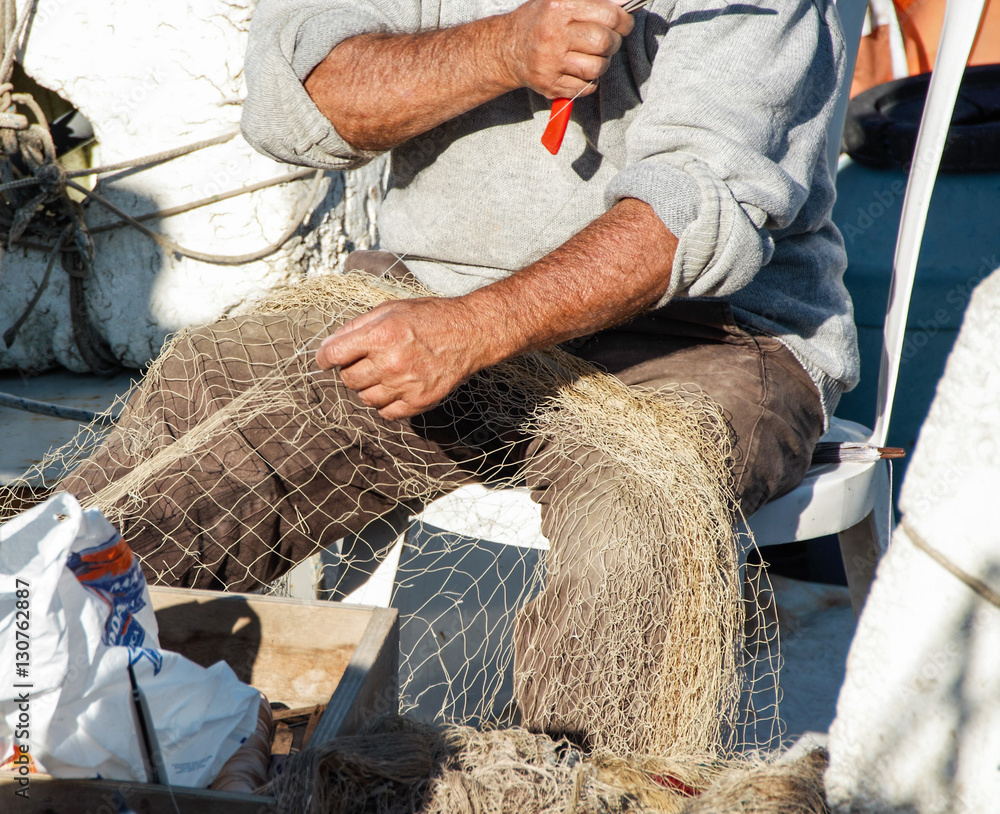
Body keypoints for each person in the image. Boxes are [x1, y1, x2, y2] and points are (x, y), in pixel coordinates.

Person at [62, 0, 859, 744]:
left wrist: (478, 327)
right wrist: (507, 47)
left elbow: (695, 209)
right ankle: (53, 719)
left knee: (638, 510)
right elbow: (296, 99)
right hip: (429, 293)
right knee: (212, 399)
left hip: (699, 333)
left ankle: (579, 780)